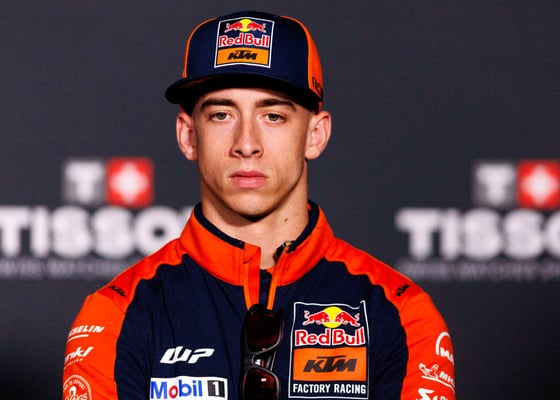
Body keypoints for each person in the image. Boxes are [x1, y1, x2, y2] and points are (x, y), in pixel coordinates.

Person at [62, 10, 455, 400]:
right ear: (188, 136)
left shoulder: (402, 313)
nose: (246, 144)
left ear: (315, 135)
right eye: (221, 115)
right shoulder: (115, 315)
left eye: (273, 116)